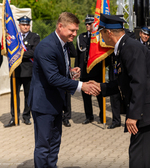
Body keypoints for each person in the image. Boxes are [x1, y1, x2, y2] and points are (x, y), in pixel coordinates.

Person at [91, 13, 150, 167]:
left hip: (147, 112)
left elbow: (139, 83)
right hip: (146, 110)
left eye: (100, 32)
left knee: (139, 159)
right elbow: (126, 81)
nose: (99, 36)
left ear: (108, 32)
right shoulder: (125, 46)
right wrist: (101, 87)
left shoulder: (130, 48)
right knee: (138, 157)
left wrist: (134, 115)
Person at [27, 12, 98, 167]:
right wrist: (81, 85)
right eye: (72, 30)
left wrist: (70, 72)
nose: (75, 34)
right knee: (43, 146)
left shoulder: (64, 43)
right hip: (44, 104)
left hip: (56, 102)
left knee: (54, 144)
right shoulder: (46, 46)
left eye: (76, 30)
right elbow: (52, 78)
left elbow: (57, 71)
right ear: (60, 26)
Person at [4, 16, 40, 127]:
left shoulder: (35, 37)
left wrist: (19, 54)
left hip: (28, 71)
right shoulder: (14, 37)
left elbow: (34, 52)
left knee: (28, 95)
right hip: (16, 70)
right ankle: (14, 117)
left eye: (27, 25)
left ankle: (26, 116)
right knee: (14, 95)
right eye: (23, 25)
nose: (25, 26)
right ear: (19, 26)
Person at [76, 14, 104, 124]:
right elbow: (78, 55)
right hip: (85, 72)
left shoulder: (99, 37)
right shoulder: (81, 37)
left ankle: (102, 116)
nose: (87, 25)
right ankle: (89, 116)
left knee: (100, 95)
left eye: (90, 23)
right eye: (86, 23)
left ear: (95, 24)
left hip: (97, 72)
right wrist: (77, 69)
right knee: (86, 96)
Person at [62, 41, 77, 127]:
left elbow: (74, 54)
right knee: (59, 96)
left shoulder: (67, 45)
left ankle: (66, 117)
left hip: (67, 74)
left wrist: (70, 42)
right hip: (58, 74)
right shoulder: (56, 44)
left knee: (67, 97)